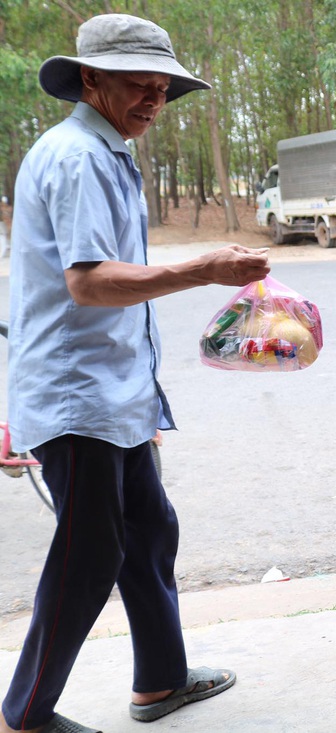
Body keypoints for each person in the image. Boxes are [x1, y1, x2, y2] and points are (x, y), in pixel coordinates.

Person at [2, 14, 270, 733]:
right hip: (77, 394)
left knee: (148, 528)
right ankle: (23, 714)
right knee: (91, 550)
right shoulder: (79, 157)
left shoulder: (107, 150)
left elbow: (31, 284)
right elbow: (87, 282)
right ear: (89, 80)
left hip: (111, 390)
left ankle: (159, 679)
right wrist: (201, 268)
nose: (154, 100)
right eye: (137, 86)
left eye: (162, 88)